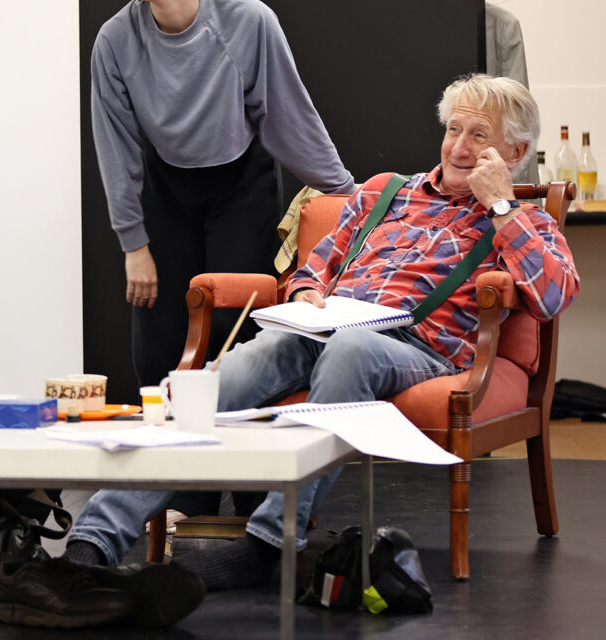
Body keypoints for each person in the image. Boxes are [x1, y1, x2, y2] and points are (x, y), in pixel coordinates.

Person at [59, 73, 579, 594]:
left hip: (417, 347)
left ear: (515, 153)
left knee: (351, 350)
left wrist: (501, 207)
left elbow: (553, 296)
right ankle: (91, 544)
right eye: (454, 130)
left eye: (479, 136)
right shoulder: (385, 193)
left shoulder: (524, 222)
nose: (459, 148)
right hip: (322, 329)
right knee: (216, 383)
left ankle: (268, 544)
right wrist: (305, 293)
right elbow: (314, 267)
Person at [89, 0, 355, 390]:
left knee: (235, 335)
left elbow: (289, 117)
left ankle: (236, 434)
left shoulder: (248, 20)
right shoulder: (115, 40)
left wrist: (347, 194)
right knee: (157, 347)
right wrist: (134, 246)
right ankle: (166, 436)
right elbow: (116, 150)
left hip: (241, 186)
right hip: (165, 190)